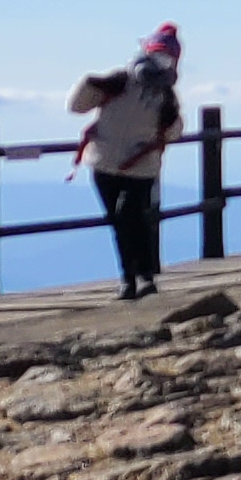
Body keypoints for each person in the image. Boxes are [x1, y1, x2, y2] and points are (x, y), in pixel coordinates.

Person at [69, 25, 183, 299]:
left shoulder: (166, 96)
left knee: (128, 217)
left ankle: (139, 277)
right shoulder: (120, 82)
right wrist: (91, 83)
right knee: (121, 222)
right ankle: (131, 279)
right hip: (107, 163)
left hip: (137, 166)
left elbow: (174, 129)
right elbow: (77, 106)